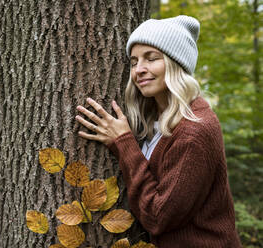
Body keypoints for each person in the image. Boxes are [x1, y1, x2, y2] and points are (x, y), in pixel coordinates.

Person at [75, 15, 242, 247]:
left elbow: (158, 217)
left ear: (176, 64)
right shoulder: (153, 117)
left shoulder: (194, 131)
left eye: (152, 59)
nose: (139, 70)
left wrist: (123, 143)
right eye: (134, 62)